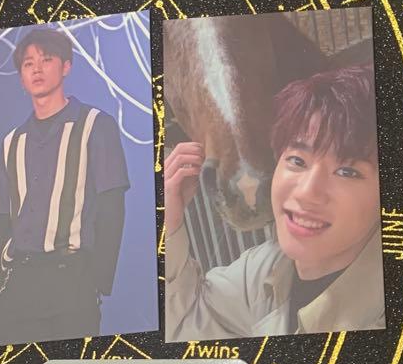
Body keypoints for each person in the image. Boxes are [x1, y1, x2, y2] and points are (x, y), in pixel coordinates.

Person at [164, 64, 384, 340]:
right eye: (297, 160)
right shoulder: (264, 269)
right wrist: (169, 222)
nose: (306, 192)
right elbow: (185, 324)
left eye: (348, 172)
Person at [0, 27, 129, 344]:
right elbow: (1, 216)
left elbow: (112, 207)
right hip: (18, 286)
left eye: (46, 59)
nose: (37, 69)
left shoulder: (95, 125)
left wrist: (96, 280)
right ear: (21, 76)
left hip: (71, 281)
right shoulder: (12, 141)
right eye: (28, 63)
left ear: (66, 66)